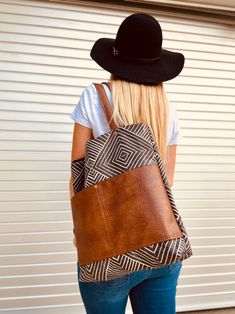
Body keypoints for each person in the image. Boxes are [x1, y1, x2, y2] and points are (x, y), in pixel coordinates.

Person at [69, 12, 184, 314]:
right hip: (161, 246)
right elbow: (166, 181)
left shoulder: (94, 97)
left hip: (108, 252)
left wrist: (81, 231)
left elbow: (77, 176)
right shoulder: (166, 109)